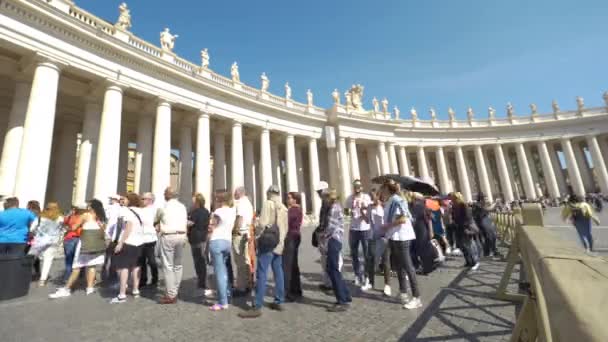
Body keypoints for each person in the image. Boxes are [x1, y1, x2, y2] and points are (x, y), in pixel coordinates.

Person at [239, 185, 288, 318]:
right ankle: (279, 300)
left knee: (261, 273)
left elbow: (262, 224)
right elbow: (285, 228)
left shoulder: (268, 204)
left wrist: (256, 231)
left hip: (268, 243)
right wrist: (281, 242)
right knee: (278, 272)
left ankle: (258, 305)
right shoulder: (283, 207)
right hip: (279, 243)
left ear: (269, 193)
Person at [49, 200, 107, 299]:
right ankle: (90, 288)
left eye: (88, 205)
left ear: (91, 207)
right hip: (96, 245)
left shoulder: (85, 215)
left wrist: (68, 225)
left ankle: (67, 289)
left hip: (85, 244)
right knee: (92, 266)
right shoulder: (102, 217)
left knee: (76, 267)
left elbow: (74, 227)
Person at [381, 181, 422, 310]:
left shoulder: (397, 200)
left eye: (382, 188)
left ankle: (416, 297)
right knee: (399, 266)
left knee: (408, 266)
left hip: (402, 236)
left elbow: (403, 219)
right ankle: (403, 292)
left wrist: (387, 225)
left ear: (387, 189)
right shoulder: (391, 200)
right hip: (395, 236)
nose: (381, 191)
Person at [110, 192, 145, 304]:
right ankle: (135, 289)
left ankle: (122, 293)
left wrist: (120, 242)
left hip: (128, 241)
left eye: (124, 199)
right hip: (139, 242)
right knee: (135, 266)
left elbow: (128, 227)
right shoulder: (141, 211)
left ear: (129, 200)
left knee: (123, 266)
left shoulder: (125, 210)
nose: (122, 201)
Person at [156, 187, 189, 304]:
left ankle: (171, 294)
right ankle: (174, 290)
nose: (164, 194)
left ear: (168, 195)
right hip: (181, 235)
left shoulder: (163, 207)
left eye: (165, 192)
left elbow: (155, 221)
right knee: (178, 265)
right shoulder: (182, 206)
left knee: (168, 265)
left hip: (168, 236)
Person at [322, 189, 352, 312]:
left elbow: (330, 227)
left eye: (325, 197)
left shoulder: (334, 208)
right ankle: (346, 295)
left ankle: (342, 300)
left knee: (333, 269)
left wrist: (322, 235)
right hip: (335, 240)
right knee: (332, 268)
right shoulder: (335, 207)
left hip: (333, 240)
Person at [207, 190, 235, 311]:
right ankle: (227, 294)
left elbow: (212, 226)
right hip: (227, 242)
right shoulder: (232, 211)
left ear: (219, 199)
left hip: (217, 240)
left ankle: (223, 301)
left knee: (219, 272)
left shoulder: (218, 211)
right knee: (224, 269)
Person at [314, 181, 343, 291]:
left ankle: (335, 283)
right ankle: (328, 283)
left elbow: (330, 224)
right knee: (325, 261)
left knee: (334, 262)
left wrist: (321, 233)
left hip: (332, 237)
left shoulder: (331, 205)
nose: (318, 194)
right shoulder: (324, 203)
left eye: (320, 192)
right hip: (325, 237)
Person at [345, 179, 373, 289]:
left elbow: (370, 211)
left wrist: (363, 209)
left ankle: (367, 276)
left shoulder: (366, 197)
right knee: (354, 254)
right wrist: (350, 211)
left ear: (361, 187)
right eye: (355, 186)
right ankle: (357, 275)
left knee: (366, 254)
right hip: (353, 228)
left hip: (365, 228)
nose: (357, 188)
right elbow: (345, 211)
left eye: (359, 186)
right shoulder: (349, 198)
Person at [28, 202, 64, 286]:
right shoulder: (60, 218)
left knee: (31, 258)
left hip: (39, 240)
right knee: (48, 259)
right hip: (53, 240)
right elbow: (62, 228)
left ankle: (27, 274)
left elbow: (32, 229)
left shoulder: (40, 217)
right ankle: (42, 280)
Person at [232, 186, 254, 297]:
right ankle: (248, 283)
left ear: (239, 193)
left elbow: (239, 218)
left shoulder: (240, 203)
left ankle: (241, 287)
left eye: (235, 193)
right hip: (247, 233)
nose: (233, 195)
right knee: (245, 259)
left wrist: (234, 230)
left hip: (240, 234)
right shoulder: (248, 203)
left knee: (240, 261)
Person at [188, 192, 210, 295]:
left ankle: (201, 283)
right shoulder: (206, 211)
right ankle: (202, 281)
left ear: (197, 202)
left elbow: (190, 223)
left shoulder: (195, 212)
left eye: (193, 201)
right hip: (203, 237)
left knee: (198, 261)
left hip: (196, 238)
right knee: (202, 260)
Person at [450, 192, 480, 270]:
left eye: (453, 198)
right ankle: (468, 261)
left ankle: (475, 261)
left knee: (470, 244)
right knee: (463, 246)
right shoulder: (453, 206)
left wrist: (465, 227)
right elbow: (453, 217)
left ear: (457, 198)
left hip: (465, 227)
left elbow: (468, 217)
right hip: (458, 228)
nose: (451, 199)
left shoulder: (463, 205)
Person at [370, 190, 391, 296]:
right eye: (371, 196)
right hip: (374, 236)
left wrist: (387, 227)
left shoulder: (385, 207)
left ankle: (387, 285)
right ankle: (370, 281)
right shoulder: (370, 208)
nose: (372, 198)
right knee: (373, 259)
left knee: (386, 261)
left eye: (373, 196)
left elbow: (390, 220)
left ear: (378, 196)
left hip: (385, 236)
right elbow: (370, 221)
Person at [283, 192, 303, 302]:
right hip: (295, 236)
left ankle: (288, 290)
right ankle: (296, 288)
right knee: (294, 264)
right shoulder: (297, 209)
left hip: (291, 237)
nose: (287, 199)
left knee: (287, 265)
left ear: (295, 200)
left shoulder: (293, 210)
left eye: (290, 198)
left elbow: (285, 222)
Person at [138, 192, 159, 288]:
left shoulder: (156, 210)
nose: (141, 200)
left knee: (151, 259)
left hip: (150, 237)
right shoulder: (141, 210)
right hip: (141, 237)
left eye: (143, 199)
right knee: (141, 260)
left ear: (150, 200)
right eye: (142, 199)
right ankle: (143, 279)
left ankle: (155, 278)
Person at [102, 195, 122, 284]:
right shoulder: (121, 208)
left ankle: (106, 273)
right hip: (116, 235)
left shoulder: (111, 208)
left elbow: (105, 218)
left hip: (109, 233)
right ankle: (112, 273)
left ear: (114, 200)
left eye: (111, 199)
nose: (110, 200)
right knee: (114, 255)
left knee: (107, 254)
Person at [472, 192, 498, 257]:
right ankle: (488, 252)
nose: (486, 200)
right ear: (481, 199)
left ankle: (493, 251)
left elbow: (488, 210)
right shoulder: (477, 205)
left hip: (486, 221)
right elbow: (488, 209)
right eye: (485, 199)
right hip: (482, 222)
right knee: (488, 237)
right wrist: (495, 203)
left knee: (493, 236)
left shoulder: (482, 204)